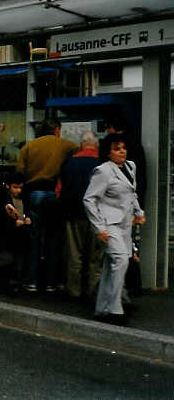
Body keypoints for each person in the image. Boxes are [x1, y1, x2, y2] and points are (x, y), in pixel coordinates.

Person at [83, 133, 145, 325]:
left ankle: (102, 308)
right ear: (108, 152)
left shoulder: (130, 166)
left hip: (125, 224)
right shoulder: (103, 171)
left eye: (123, 148)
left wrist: (139, 211)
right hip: (109, 224)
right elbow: (89, 199)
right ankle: (114, 308)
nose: (122, 151)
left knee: (112, 265)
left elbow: (131, 193)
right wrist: (99, 227)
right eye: (117, 148)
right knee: (120, 261)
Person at [16, 118, 78, 292]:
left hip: (34, 193)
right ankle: (51, 282)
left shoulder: (28, 147)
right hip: (54, 194)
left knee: (33, 240)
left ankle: (32, 281)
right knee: (53, 239)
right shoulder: (67, 145)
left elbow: (20, 172)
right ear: (57, 129)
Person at [56, 130, 103, 301]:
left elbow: (59, 189)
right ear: (95, 144)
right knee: (94, 257)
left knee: (74, 255)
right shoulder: (102, 163)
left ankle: (74, 290)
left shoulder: (69, 163)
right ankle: (93, 290)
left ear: (81, 144)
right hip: (97, 216)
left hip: (73, 213)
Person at [105, 117, 146, 203]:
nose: (106, 132)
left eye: (107, 128)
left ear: (112, 128)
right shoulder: (135, 143)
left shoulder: (111, 144)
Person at [2, 172, 31, 292]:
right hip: (9, 234)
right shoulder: (5, 199)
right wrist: (14, 223)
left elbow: (27, 211)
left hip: (21, 233)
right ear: (8, 186)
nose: (18, 190)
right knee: (7, 259)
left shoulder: (23, 198)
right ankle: (8, 283)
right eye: (15, 187)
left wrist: (27, 218)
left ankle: (16, 282)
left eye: (20, 187)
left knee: (19, 258)